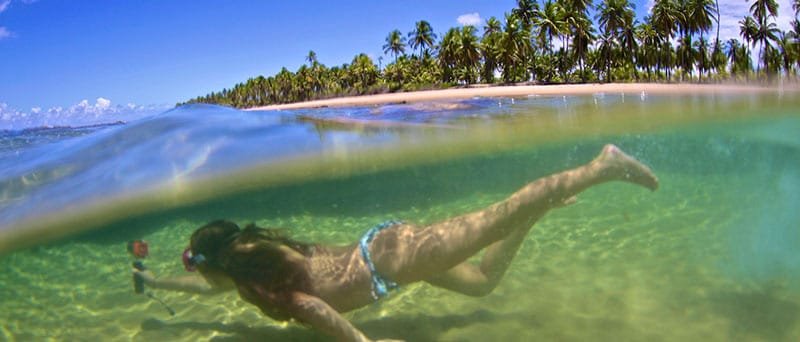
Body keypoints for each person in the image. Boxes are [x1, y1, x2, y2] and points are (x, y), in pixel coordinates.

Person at [134, 144, 658, 342]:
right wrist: (154, 281)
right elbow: (208, 293)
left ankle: (601, 166)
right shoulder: (260, 266)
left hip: (391, 255)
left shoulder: (278, 289)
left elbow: (326, 319)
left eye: (204, 271)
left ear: (224, 267)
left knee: (501, 215)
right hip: (387, 259)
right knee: (480, 284)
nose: (208, 283)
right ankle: (538, 211)